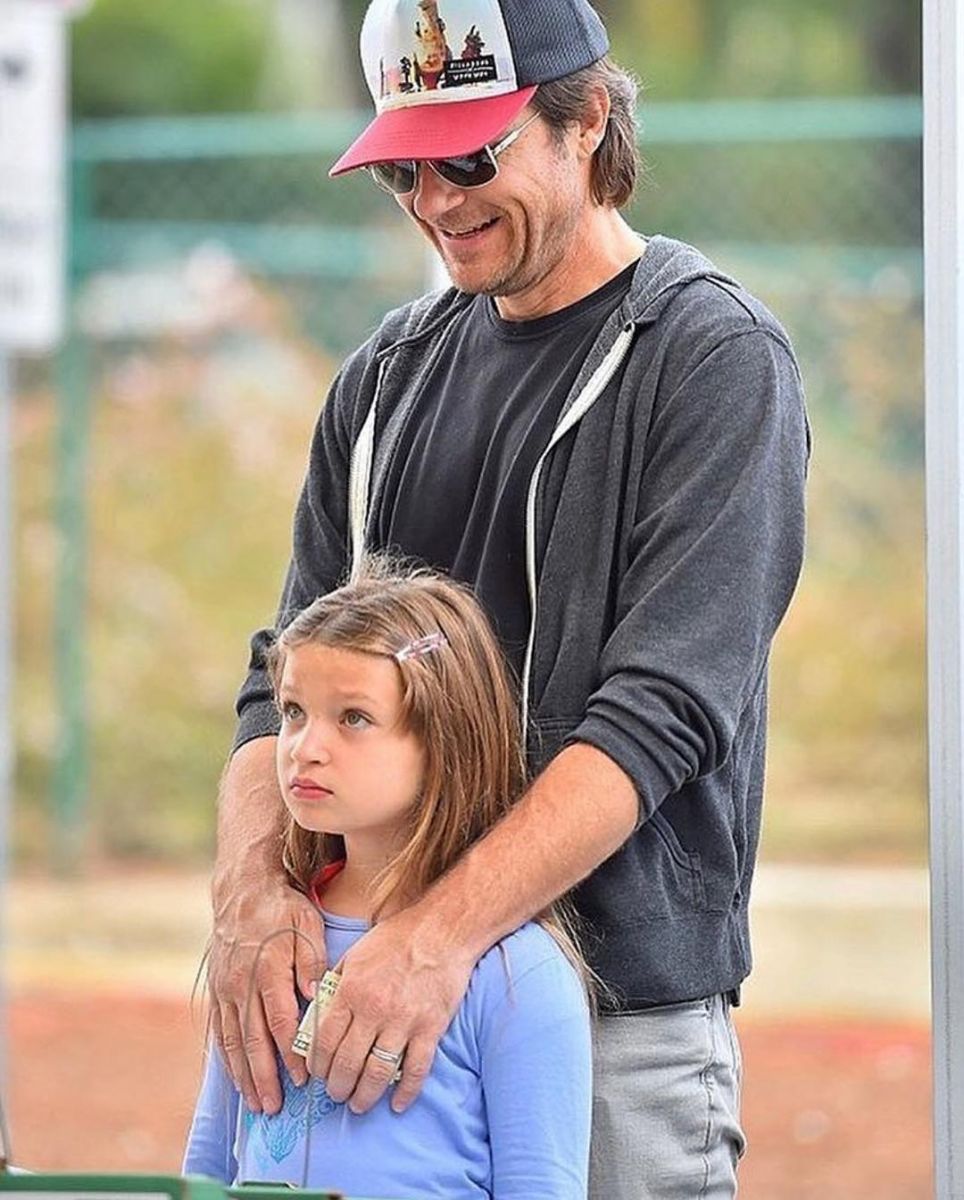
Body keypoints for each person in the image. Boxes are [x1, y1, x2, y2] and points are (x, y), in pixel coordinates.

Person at [207, 0, 810, 1195]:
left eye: (472, 155)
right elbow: (278, 686)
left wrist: (434, 940)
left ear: (584, 121)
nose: (436, 200)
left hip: (604, 1014)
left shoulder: (709, 358)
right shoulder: (386, 372)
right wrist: (249, 892)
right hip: (371, 993)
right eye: (405, 169)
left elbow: (659, 718)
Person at [185, 562, 592, 1197]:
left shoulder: (518, 974)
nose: (304, 748)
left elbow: (542, 1186)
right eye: (293, 711)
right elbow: (208, 1168)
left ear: (443, 741)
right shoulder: (261, 944)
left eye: (353, 718)